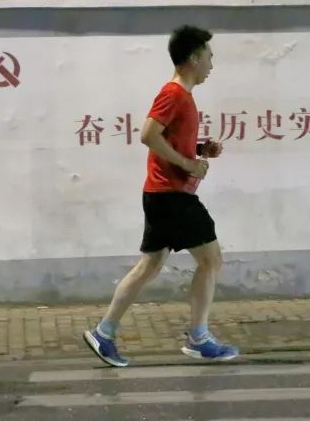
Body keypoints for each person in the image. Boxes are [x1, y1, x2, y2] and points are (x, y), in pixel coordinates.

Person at [83, 24, 237, 367]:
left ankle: (104, 332)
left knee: (149, 266)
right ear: (193, 58)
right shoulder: (174, 93)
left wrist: (200, 150)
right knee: (210, 260)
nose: (212, 65)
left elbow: (167, 139)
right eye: (209, 57)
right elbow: (149, 135)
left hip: (163, 193)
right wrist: (188, 164)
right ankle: (199, 338)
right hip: (172, 195)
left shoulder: (183, 97)